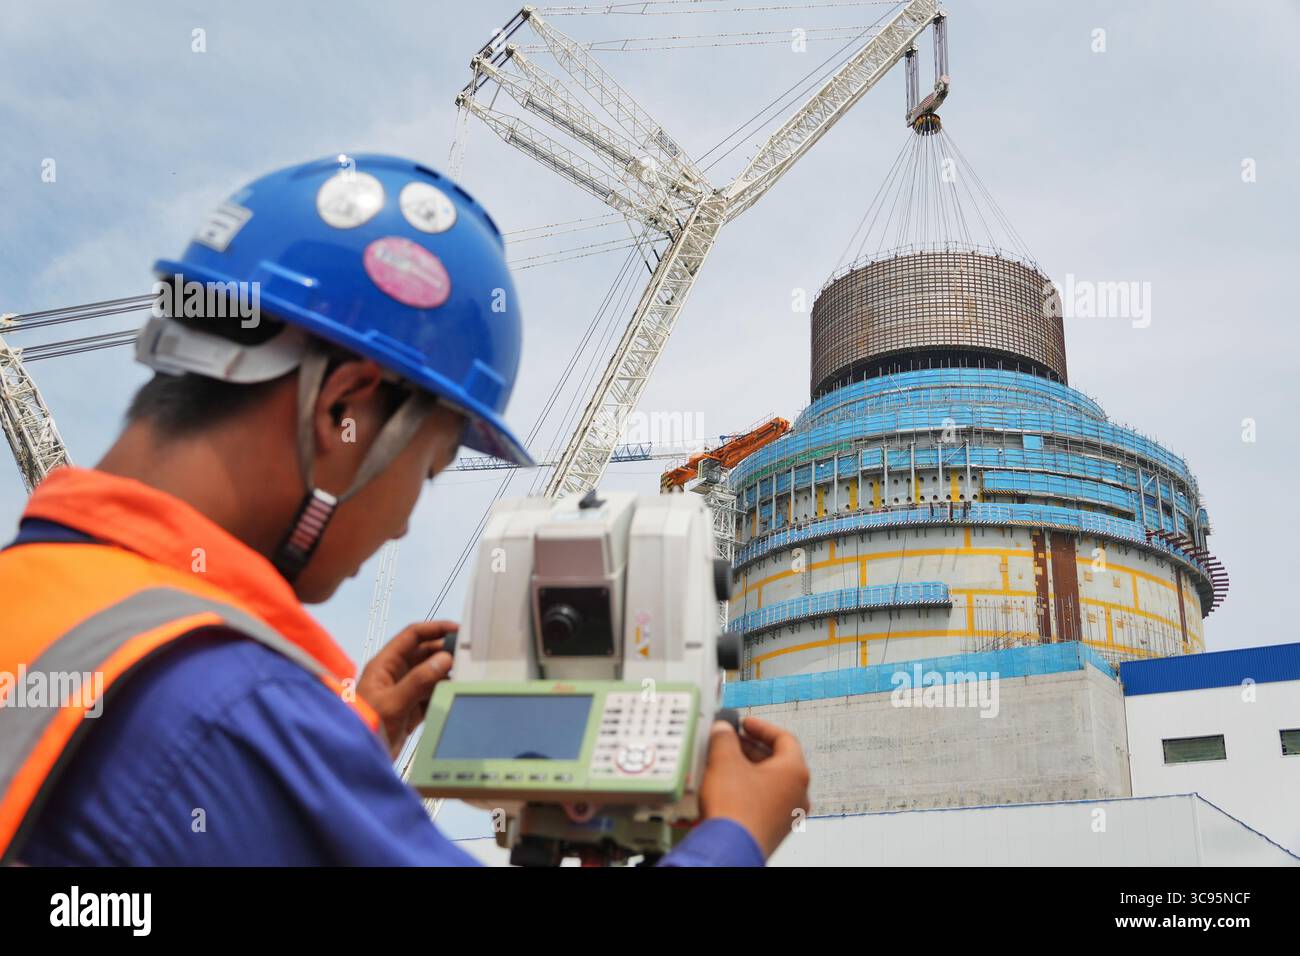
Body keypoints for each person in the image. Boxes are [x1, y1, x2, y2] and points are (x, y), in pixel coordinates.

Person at [0, 155, 809, 866]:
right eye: (428, 471)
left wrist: (345, 750)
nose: (402, 527)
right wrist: (734, 835)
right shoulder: (238, 711)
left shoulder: (42, 605)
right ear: (343, 409)